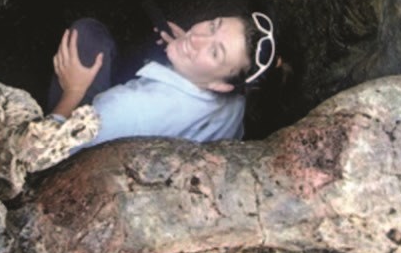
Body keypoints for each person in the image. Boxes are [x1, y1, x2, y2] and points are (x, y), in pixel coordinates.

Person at [46, 10, 276, 150]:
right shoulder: (237, 96)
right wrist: (187, 53)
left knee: (87, 35)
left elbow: (45, 155)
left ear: (221, 86)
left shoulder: (129, 107)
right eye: (213, 26)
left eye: (215, 52)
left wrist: (73, 91)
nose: (197, 37)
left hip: (83, 151)